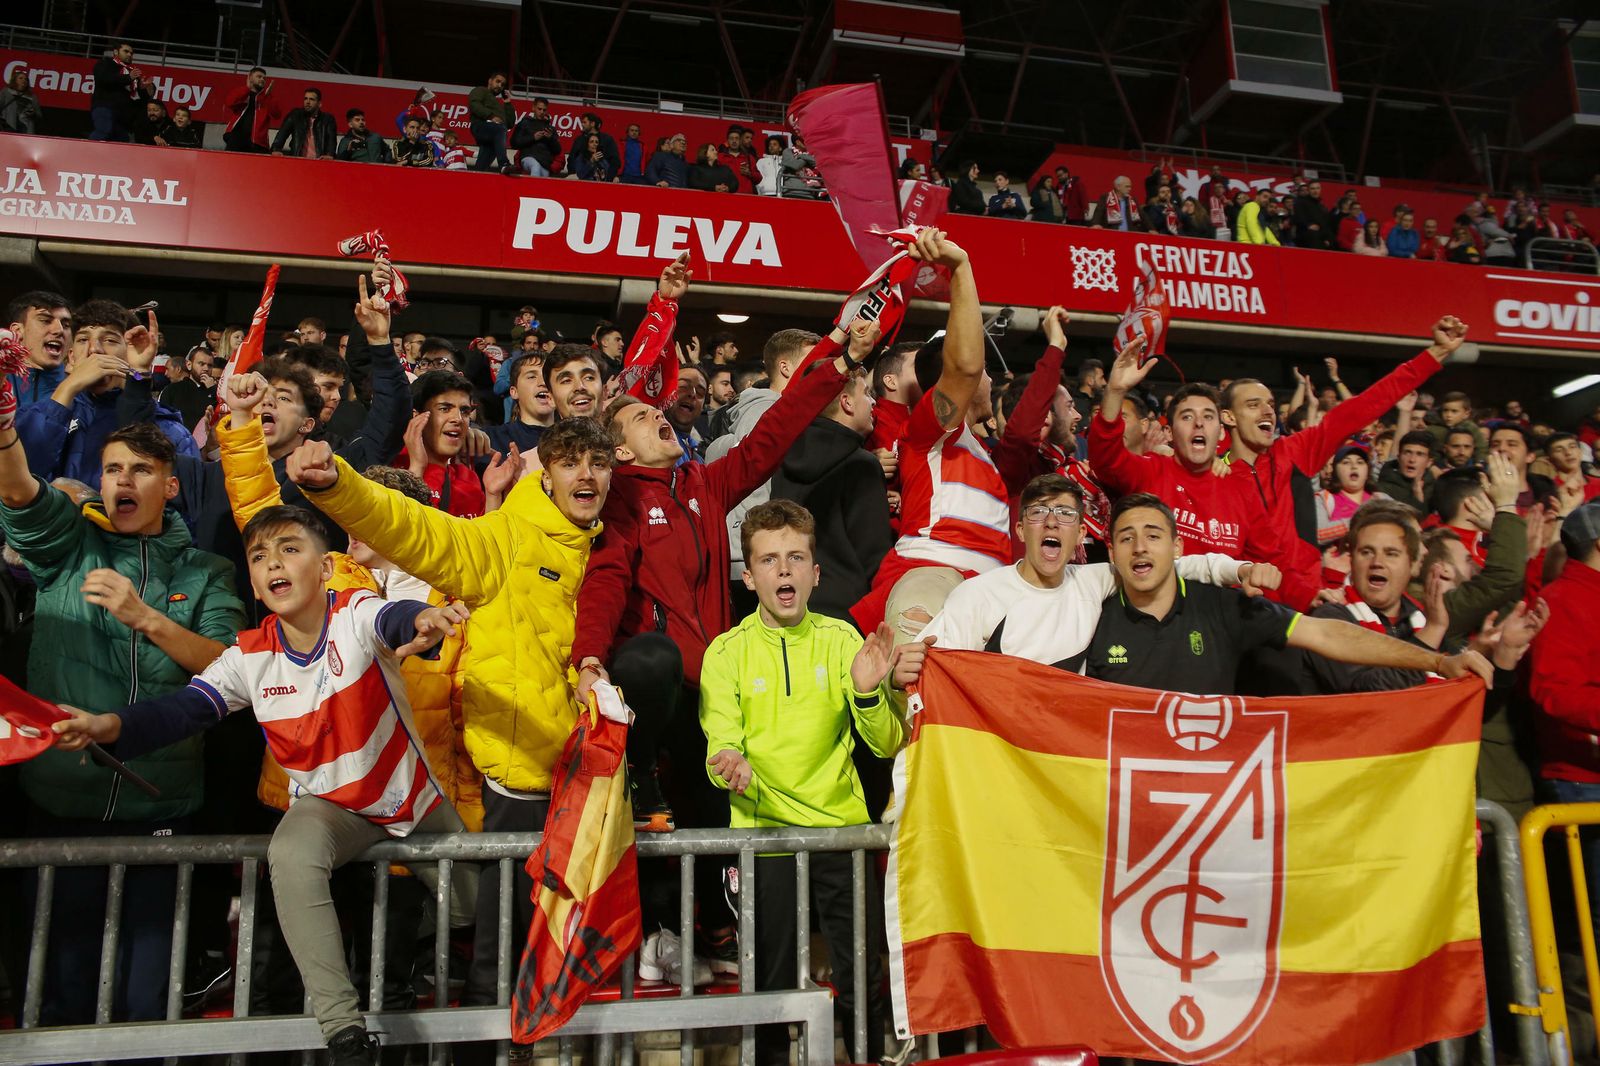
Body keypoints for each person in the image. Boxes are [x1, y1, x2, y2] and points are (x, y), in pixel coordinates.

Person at [53, 505, 468, 1066]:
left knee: (473, 907)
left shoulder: (354, 612)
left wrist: (421, 621)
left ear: (326, 568)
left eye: (289, 549)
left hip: (411, 800)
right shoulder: (248, 655)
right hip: (332, 810)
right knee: (290, 852)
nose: (273, 562)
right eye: (258, 556)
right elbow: (182, 711)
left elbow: (393, 618)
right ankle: (344, 1032)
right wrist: (109, 727)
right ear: (251, 578)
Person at [281, 416, 613, 1062]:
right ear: (544, 471)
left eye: (597, 464)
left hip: (593, 779)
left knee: (573, 961)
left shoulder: (610, 545)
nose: (586, 476)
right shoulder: (503, 539)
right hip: (517, 778)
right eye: (570, 462)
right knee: (500, 956)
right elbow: (413, 528)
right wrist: (335, 485)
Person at [0, 399, 244, 1027]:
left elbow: (225, 665)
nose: (121, 480)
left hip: (162, 806)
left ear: (170, 484)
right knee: (61, 992)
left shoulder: (209, 570)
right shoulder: (68, 545)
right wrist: (4, 432)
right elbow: (22, 494)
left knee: (145, 998)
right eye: (111, 468)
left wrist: (145, 616)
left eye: (139, 469)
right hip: (61, 804)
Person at [698, 500, 900, 1066]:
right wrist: (729, 762)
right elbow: (720, 740)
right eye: (768, 560)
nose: (783, 571)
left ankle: (866, 1058)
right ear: (748, 575)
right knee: (769, 985)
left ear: (815, 572)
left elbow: (885, 743)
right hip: (765, 837)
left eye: (795, 558)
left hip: (842, 834)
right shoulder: (726, 653)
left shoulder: (842, 640)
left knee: (863, 975)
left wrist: (866, 692)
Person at [1084, 494, 1490, 692]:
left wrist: (1437, 659)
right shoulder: (1091, 619)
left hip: (1212, 794)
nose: (1139, 547)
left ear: (1177, 548)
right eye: (1126, 538)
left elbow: (1326, 634)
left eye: (1152, 536)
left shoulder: (1224, 606)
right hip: (1124, 793)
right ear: (1113, 553)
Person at [908, 475, 1268, 672]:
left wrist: (1239, 568)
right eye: (1038, 513)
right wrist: (900, 675)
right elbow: (925, 669)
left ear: (1081, 534)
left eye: (1065, 514)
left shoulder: (1095, 582)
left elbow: (1177, 566)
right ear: (1020, 531)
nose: (1051, 521)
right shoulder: (978, 596)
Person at [14, 300, 197, 486]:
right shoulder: (35, 416)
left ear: (133, 355)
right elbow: (16, 485)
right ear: (71, 356)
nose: (94, 349)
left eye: (110, 340)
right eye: (83, 340)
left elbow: (184, 507)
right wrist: (67, 388)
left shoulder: (168, 430)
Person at [767, 361, 894, 622]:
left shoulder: (782, 459)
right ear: (846, 403)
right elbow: (874, 557)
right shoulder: (862, 465)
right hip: (846, 615)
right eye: (867, 394)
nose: (873, 403)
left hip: (790, 603)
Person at [397, 372, 485, 518]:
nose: (458, 419)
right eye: (444, 409)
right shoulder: (390, 468)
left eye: (464, 411)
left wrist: (493, 495)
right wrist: (417, 468)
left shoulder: (469, 478)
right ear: (417, 417)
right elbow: (397, 531)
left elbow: (483, 538)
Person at [5, 290, 72, 408]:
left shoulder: (80, 389)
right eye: (45, 321)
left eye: (66, 325)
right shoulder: (3, 382)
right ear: (17, 332)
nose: (60, 330)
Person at [486, 349, 554, 455]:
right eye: (531, 377)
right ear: (514, 392)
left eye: (547, 376)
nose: (543, 382)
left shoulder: (576, 440)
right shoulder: (489, 440)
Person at [89, 42, 145, 142]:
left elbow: (138, 98)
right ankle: (87, 155)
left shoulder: (132, 71)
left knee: (122, 140)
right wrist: (128, 77)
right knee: (103, 131)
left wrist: (145, 89)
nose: (129, 55)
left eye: (131, 53)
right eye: (126, 51)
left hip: (123, 115)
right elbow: (103, 79)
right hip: (105, 106)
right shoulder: (105, 63)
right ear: (115, 52)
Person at [1376, 428, 1438, 515]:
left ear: (1429, 462)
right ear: (1398, 457)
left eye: (1420, 454)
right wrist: (1418, 498)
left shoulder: (1436, 491)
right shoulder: (1383, 490)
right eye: (1407, 452)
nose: (1412, 460)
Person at [160, 343, 218, 432]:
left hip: (208, 443)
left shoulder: (216, 392)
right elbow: (163, 420)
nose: (206, 368)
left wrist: (212, 389)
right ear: (189, 365)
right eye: (201, 364)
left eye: (210, 365)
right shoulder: (172, 390)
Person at [272, 87, 337, 159]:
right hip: (298, 161)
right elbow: (282, 134)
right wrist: (276, 149)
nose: (307, 102)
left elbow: (331, 141)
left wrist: (329, 154)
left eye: (311, 99)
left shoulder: (327, 119)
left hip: (319, 162)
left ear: (319, 104)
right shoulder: (295, 115)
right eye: (305, 98)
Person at [223, 67, 277, 153]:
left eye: (264, 78)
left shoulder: (266, 98)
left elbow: (277, 114)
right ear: (250, 77)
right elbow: (229, 102)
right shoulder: (243, 93)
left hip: (258, 144)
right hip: (237, 140)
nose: (262, 79)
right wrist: (247, 88)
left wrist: (268, 97)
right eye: (259, 77)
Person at [468, 72, 514, 171]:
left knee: (481, 169)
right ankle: (504, 163)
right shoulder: (481, 90)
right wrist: (491, 116)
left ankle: (473, 181)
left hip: (493, 136)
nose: (500, 86)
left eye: (502, 84)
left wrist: (508, 103)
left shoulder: (499, 105)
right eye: (497, 81)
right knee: (500, 129)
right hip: (481, 126)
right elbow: (474, 104)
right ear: (490, 81)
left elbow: (510, 123)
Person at [509, 96, 560, 177]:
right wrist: (533, 137)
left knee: (541, 181)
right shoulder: (525, 123)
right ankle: (531, 189)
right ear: (533, 108)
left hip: (544, 163)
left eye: (544, 110)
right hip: (528, 158)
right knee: (535, 167)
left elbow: (557, 151)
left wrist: (551, 139)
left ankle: (529, 189)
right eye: (539, 109)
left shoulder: (550, 128)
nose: (542, 112)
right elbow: (514, 143)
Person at [780, 133, 825, 199]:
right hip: (791, 192)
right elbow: (795, 165)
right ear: (798, 142)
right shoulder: (788, 151)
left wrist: (801, 156)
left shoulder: (811, 154)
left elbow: (818, 164)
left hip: (810, 193)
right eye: (806, 140)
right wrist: (807, 158)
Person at [0, 67, 41, 134]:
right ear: (14, 80)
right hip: (7, 127)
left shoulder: (32, 96)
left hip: (25, 128)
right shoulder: (6, 92)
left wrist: (33, 114)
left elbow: (39, 115)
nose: (24, 80)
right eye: (20, 78)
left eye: (26, 79)